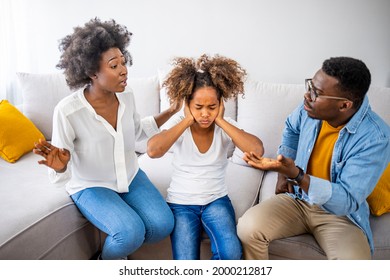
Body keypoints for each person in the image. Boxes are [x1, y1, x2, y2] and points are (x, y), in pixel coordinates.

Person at [33, 18, 180, 260]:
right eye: (114, 66)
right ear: (92, 72)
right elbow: (59, 165)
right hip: (91, 185)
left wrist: (171, 111)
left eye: (123, 62)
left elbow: (137, 131)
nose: (124, 70)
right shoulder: (68, 111)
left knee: (162, 225)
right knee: (129, 233)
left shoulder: (127, 95)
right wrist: (60, 167)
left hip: (130, 176)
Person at [237, 56, 390, 260]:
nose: (307, 95)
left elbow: (347, 200)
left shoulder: (375, 138)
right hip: (299, 199)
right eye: (310, 86)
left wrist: (298, 175)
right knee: (248, 229)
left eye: (317, 93)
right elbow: (292, 128)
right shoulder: (309, 109)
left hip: (341, 216)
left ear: (344, 105)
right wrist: (284, 175)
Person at [147, 54, 264, 260]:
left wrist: (221, 121)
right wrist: (185, 120)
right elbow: (153, 150)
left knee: (231, 254)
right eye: (198, 107)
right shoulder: (179, 125)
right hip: (180, 205)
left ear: (221, 105)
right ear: (187, 105)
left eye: (212, 107)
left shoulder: (223, 125)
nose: (205, 114)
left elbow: (257, 149)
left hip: (216, 201)